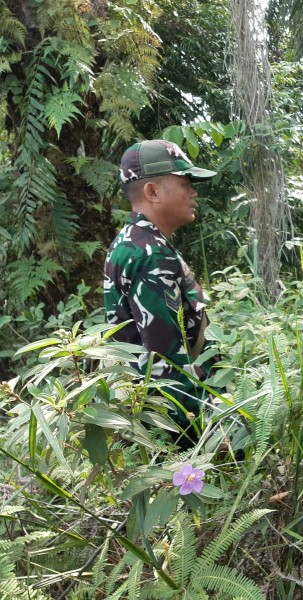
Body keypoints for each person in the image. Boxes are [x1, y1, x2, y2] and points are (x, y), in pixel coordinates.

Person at [104, 139, 219, 438]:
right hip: (177, 428)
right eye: (185, 182)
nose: (193, 192)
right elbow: (164, 363)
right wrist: (205, 431)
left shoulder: (133, 241)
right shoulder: (150, 254)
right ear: (152, 192)